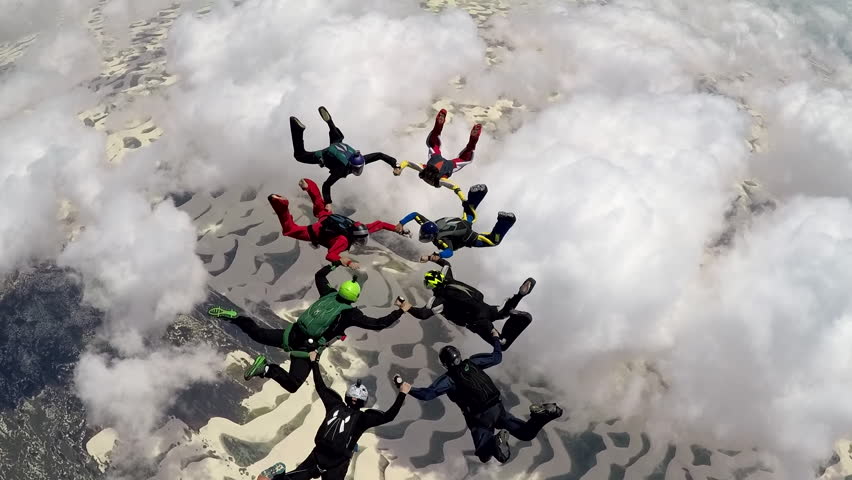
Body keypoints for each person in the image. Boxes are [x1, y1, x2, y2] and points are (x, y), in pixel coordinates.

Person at [207, 264, 414, 393]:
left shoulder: (328, 294)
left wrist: (337, 263)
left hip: (291, 334)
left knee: (258, 333)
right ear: (355, 297)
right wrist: (401, 310)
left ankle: (236, 319)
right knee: (293, 384)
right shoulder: (350, 314)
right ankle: (266, 368)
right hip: (306, 350)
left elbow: (319, 276)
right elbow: (379, 324)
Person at [258, 350, 411, 480]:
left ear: (347, 396)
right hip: (338, 463)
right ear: (363, 401)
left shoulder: (334, 404)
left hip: (318, 455)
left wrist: (314, 362)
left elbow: (320, 386)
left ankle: (277, 477)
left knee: (295, 477)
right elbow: (389, 416)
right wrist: (402, 393)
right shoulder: (363, 418)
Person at [409, 338, 563, 464]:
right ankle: (543, 415)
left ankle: (496, 442)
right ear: (459, 356)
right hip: (498, 409)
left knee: (484, 454)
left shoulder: (449, 379)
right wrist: (496, 339)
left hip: (479, 419)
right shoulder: (473, 362)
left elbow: (427, 395)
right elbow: (497, 357)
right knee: (526, 433)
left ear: (444, 364)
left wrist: (407, 388)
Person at [268, 177, 409, 269]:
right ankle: (281, 204)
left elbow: (380, 224)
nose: (360, 241)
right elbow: (330, 255)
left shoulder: (361, 228)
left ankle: (308, 184)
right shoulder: (343, 241)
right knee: (289, 230)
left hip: (328, 218)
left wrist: (397, 229)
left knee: (319, 203)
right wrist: (349, 262)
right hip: (317, 231)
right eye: (360, 240)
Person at [407, 257, 535, 349]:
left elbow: (422, 314)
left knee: (502, 345)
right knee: (503, 313)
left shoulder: (439, 299)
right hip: (486, 308)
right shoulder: (448, 278)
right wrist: (431, 258)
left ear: (431, 286)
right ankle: (519, 296)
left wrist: (406, 307)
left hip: (477, 321)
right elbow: (446, 264)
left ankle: (515, 318)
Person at [291, 106, 399, 210]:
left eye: (360, 167)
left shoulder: (361, 159)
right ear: (351, 165)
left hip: (337, 143)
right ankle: (297, 129)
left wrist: (394, 164)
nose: (358, 170)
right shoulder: (341, 170)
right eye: (357, 169)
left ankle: (330, 122)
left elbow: (379, 155)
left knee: (336, 139)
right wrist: (328, 202)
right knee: (299, 156)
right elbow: (326, 185)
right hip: (324, 155)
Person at [396, 184, 516, 261]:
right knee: (469, 214)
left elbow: (449, 252)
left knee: (493, 241)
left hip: (468, 237)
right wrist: (401, 223)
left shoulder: (441, 240)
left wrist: (435, 256)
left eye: (425, 236)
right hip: (462, 223)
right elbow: (415, 215)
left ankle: (506, 220)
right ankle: (477, 194)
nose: (423, 236)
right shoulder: (429, 223)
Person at [393, 109, 481, 199]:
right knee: (435, 144)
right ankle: (441, 126)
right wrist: (399, 168)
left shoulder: (438, 177)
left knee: (436, 144)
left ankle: (440, 126)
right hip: (439, 161)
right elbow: (455, 187)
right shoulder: (429, 171)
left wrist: (399, 168)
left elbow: (455, 187)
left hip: (442, 162)